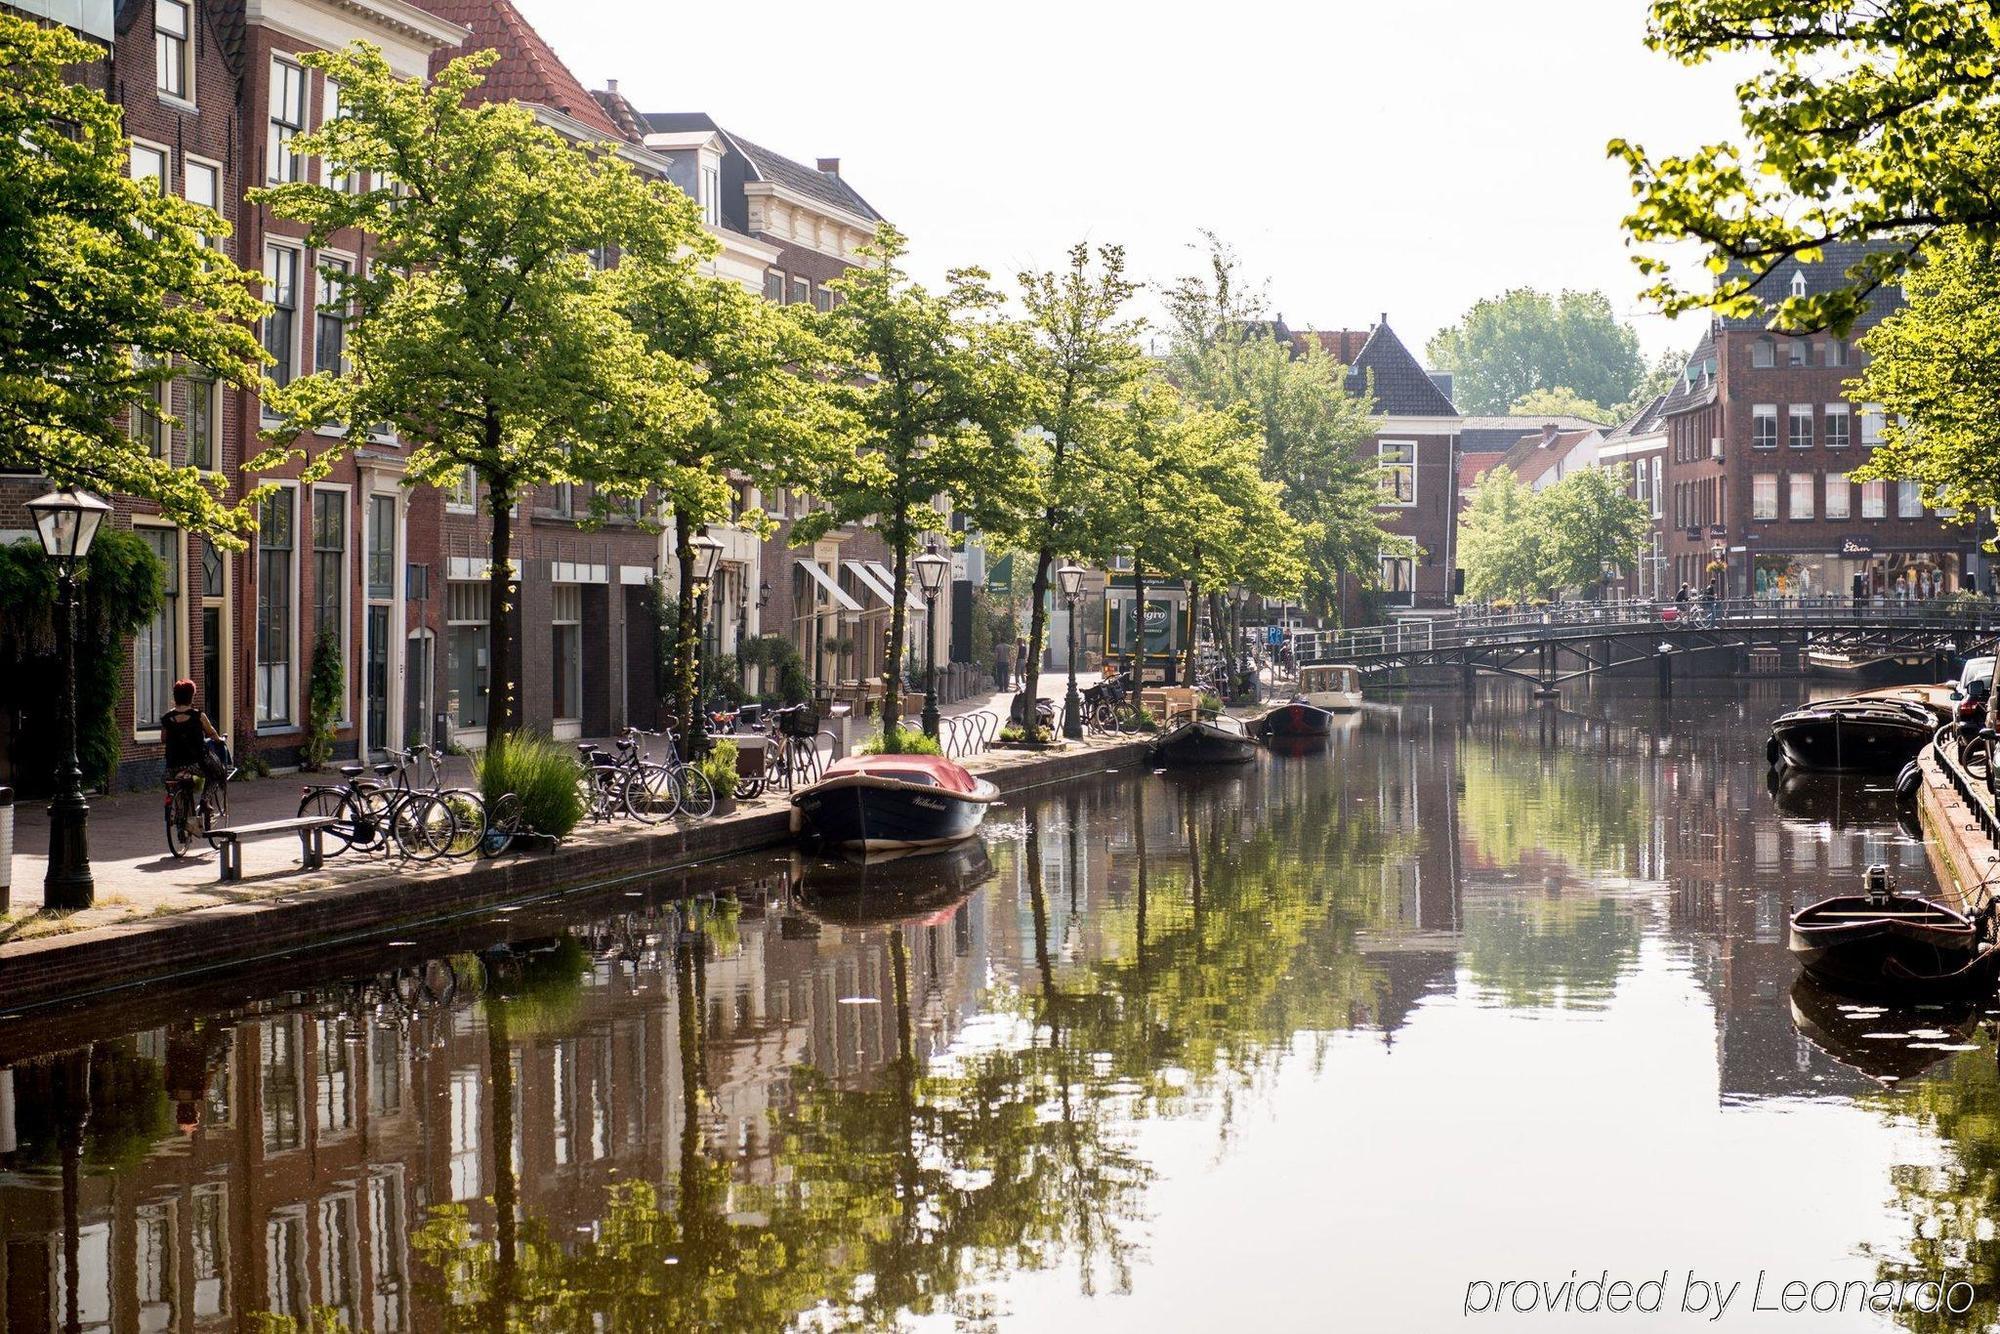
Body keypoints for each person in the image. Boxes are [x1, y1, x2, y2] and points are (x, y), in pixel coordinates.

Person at [160, 677, 222, 792]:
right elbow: (212, 733)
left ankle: (178, 804)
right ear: (191, 696)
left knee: (173, 783)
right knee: (216, 774)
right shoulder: (199, 716)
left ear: (175, 697)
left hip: (173, 766)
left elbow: (163, 739)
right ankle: (205, 800)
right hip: (196, 764)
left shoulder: (166, 718)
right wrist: (219, 739)